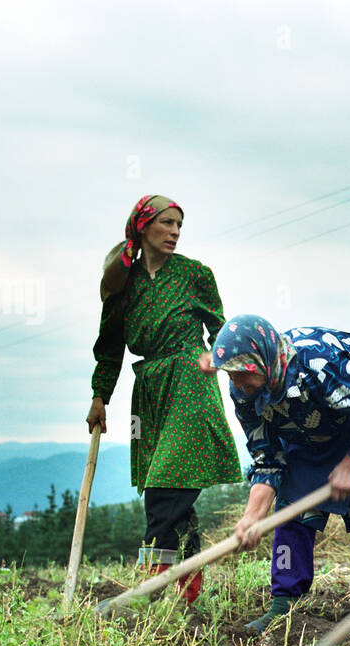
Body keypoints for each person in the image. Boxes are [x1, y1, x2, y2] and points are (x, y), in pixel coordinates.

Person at [197, 314, 350, 633]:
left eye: (242, 374)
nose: (237, 384)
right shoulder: (245, 393)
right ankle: (283, 604)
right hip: (308, 429)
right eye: (230, 376)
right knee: (292, 511)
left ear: (264, 360)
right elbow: (267, 457)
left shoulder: (318, 365)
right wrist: (252, 516)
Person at [87, 194, 243, 603]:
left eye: (179, 226)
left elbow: (220, 326)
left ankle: (149, 589)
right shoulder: (123, 283)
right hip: (151, 390)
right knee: (174, 494)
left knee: (164, 486)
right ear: (143, 227)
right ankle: (189, 592)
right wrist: (100, 395)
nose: (174, 232)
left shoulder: (195, 274)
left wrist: (217, 355)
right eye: (167, 223)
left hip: (191, 382)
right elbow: (110, 345)